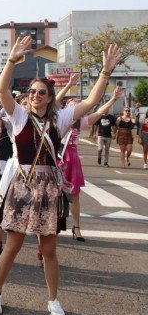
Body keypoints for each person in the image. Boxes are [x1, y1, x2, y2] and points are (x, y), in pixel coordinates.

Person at [0, 36, 120, 315]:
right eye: (32, 92)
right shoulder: (20, 117)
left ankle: (53, 299)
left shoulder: (59, 120)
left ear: (50, 97)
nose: (35, 95)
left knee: (49, 249)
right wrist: (11, 60)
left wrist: (105, 72)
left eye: (41, 93)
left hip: (48, 187)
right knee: (13, 245)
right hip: (22, 185)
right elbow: (1, 90)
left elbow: (92, 101)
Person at [59, 88, 123, 243]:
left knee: (74, 194)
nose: (76, 107)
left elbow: (100, 112)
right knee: (52, 191)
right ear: (66, 108)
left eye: (78, 105)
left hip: (72, 157)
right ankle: (48, 223)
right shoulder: (58, 118)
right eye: (72, 105)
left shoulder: (82, 122)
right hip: (58, 155)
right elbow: (54, 101)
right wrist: (67, 85)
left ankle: (77, 227)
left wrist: (113, 99)